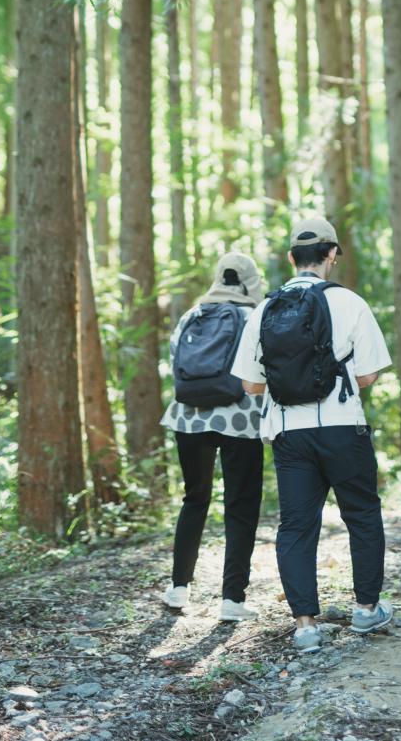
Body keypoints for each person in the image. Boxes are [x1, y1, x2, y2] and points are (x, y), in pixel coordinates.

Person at [232, 216, 393, 651]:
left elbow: (249, 385)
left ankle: (305, 625)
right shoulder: (351, 303)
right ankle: (365, 609)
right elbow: (368, 376)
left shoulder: (265, 308)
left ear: (290, 258)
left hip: (288, 432)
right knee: (361, 514)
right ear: (332, 254)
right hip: (343, 427)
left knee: (297, 526)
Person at [158, 251, 268, 621]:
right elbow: (263, 370)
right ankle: (232, 599)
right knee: (240, 505)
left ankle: (178, 588)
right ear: (251, 281)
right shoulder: (253, 317)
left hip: (188, 417)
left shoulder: (193, 315)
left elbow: (175, 358)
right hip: (240, 419)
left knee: (195, 499)